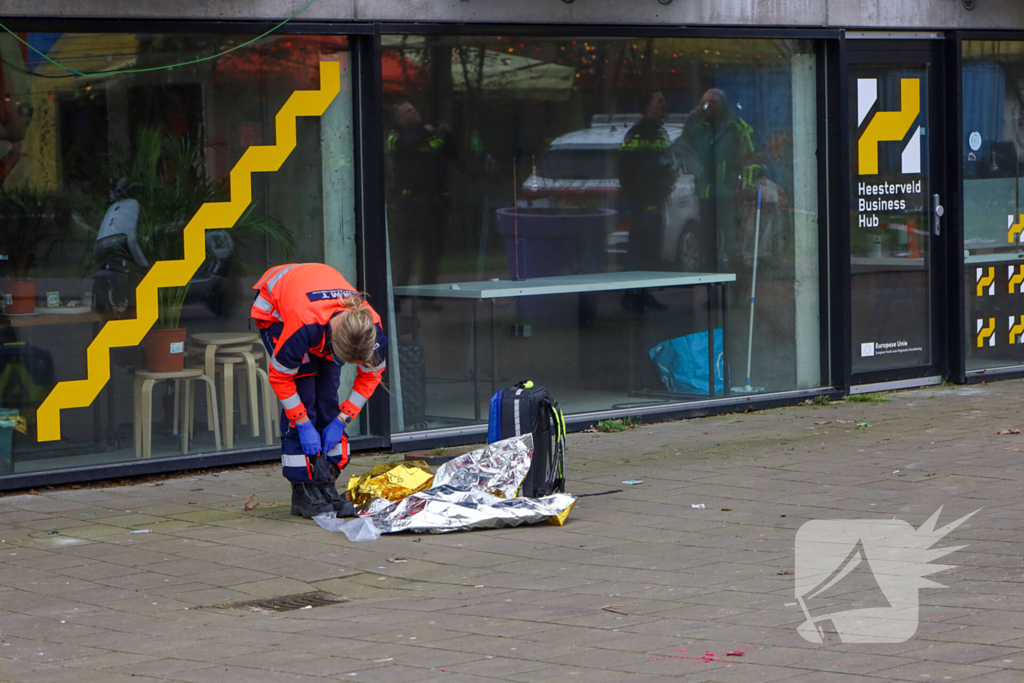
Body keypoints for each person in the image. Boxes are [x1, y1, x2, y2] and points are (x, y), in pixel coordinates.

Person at [251, 263, 387, 519]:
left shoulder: (370, 328)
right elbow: (280, 378)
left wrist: (342, 419)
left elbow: (372, 375)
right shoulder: (303, 326)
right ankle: (302, 490)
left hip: (320, 318)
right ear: (332, 341)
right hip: (278, 312)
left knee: (327, 398)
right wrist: (302, 423)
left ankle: (325, 482)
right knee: (304, 394)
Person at [681, 88, 762, 272]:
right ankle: (709, 281)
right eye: (704, 104)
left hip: (729, 194)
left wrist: (743, 186)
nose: (707, 107)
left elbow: (753, 159)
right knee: (707, 240)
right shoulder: (699, 128)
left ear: (723, 105)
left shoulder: (737, 128)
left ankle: (734, 279)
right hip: (705, 194)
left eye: (712, 103)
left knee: (731, 239)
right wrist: (690, 122)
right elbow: (683, 148)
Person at [385, 101, 454, 292]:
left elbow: (449, 153)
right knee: (405, 254)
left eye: (414, 108)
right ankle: (397, 298)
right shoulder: (395, 137)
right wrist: (426, 132)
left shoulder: (429, 137)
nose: (414, 110)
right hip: (408, 204)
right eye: (408, 110)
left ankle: (428, 298)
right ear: (399, 118)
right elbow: (405, 146)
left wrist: (444, 133)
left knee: (432, 253)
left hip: (432, 202)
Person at [618, 90, 677, 311]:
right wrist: (638, 195)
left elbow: (665, 162)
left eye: (664, 100)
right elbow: (625, 167)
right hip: (644, 201)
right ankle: (632, 295)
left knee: (651, 249)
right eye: (659, 101)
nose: (664, 105)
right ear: (647, 106)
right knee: (639, 249)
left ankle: (642, 293)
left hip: (656, 198)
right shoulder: (639, 133)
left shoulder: (659, 133)